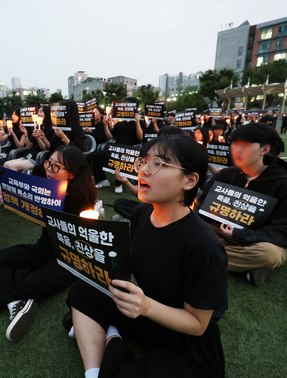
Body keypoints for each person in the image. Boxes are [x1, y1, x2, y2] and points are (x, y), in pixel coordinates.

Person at [66, 135, 228, 378]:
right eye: (143, 161)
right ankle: (93, 372)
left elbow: (198, 324)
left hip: (186, 345)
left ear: (190, 180)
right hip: (146, 315)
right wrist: (95, 243)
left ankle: (111, 333)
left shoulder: (203, 246)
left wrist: (146, 306)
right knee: (82, 291)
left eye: (159, 164)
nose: (143, 170)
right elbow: (127, 263)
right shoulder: (143, 212)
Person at [0, 146, 97, 342]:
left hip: (67, 260)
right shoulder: (46, 183)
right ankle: (15, 303)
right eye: (48, 162)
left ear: (73, 174)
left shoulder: (82, 203)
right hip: (43, 248)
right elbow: (18, 179)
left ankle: (4, 277)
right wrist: (12, 198)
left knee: (28, 283)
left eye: (56, 166)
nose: (49, 169)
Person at [196, 123, 287, 287]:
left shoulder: (286, 187)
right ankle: (242, 267)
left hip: (254, 241)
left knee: (272, 255)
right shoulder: (224, 175)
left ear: (265, 150)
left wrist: (241, 235)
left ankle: (196, 257)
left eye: (245, 146)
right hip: (218, 230)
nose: (237, 150)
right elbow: (200, 207)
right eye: (234, 144)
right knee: (188, 226)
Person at [102, 97, 145, 193]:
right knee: (120, 167)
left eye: (126, 105)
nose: (123, 107)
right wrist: (105, 125)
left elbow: (140, 137)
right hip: (120, 150)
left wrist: (137, 123)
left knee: (136, 170)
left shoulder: (140, 122)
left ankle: (137, 184)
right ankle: (118, 184)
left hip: (134, 150)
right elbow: (110, 137)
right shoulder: (120, 123)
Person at [3, 105, 55, 172]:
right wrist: (26, 134)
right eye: (38, 111)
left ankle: (18, 182)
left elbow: (44, 148)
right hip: (29, 155)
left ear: (47, 114)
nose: (38, 113)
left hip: (38, 157)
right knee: (6, 164)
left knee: (11, 167)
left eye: (41, 112)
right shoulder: (35, 128)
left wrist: (38, 138)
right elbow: (29, 146)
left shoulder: (51, 130)